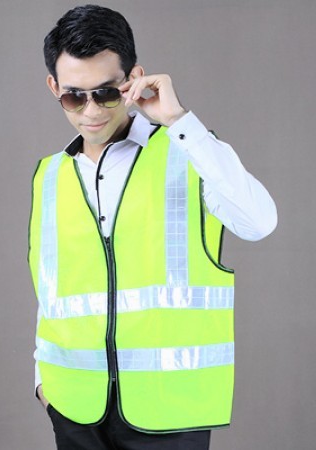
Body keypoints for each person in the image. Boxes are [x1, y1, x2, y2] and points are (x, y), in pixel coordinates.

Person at [28, 4, 277, 450]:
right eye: (74, 97)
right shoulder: (49, 176)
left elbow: (259, 222)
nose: (91, 111)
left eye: (106, 93)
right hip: (74, 410)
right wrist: (44, 385)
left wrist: (180, 122)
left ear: (134, 79)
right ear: (53, 87)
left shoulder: (188, 152)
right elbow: (51, 291)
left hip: (170, 414)